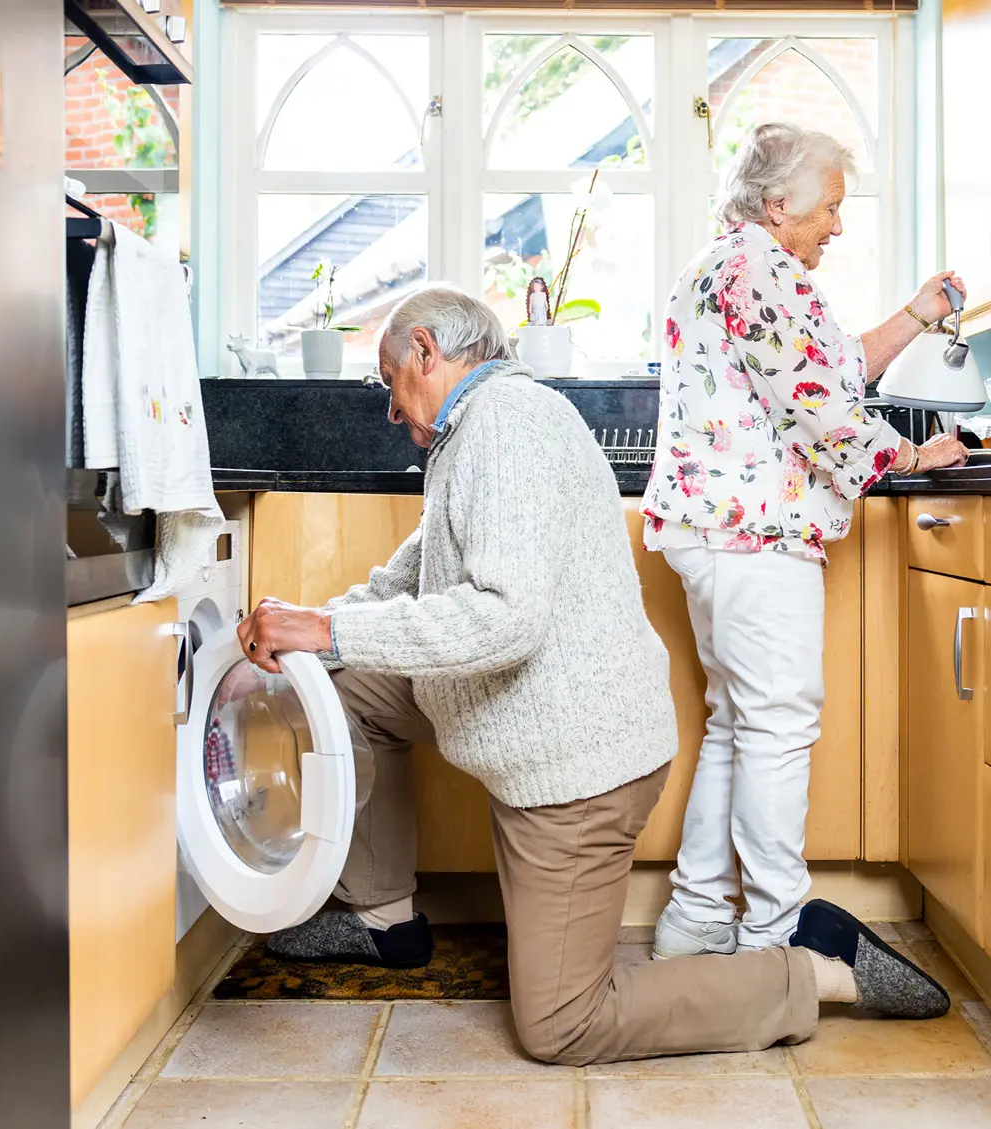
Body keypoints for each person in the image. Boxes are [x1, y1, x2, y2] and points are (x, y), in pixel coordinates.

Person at [236, 284, 952, 1067]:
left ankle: (816, 969)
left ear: (425, 353)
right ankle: (384, 920)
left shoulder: (507, 428)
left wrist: (329, 628)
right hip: (521, 715)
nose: (388, 410)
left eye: (387, 383)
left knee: (563, 1024)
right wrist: (311, 630)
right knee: (347, 688)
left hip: (573, 764)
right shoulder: (473, 431)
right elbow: (410, 578)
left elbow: (503, 619)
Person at [640, 123, 970, 961]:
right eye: (830, 206)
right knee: (778, 726)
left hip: (714, 529)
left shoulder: (727, 267)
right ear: (777, 203)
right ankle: (774, 934)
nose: (838, 223)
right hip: (754, 531)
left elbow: (828, 368)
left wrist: (917, 316)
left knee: (737, 723)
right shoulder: (761, 271)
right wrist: (909, 452)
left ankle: (695, 919)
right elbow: (822, 406)